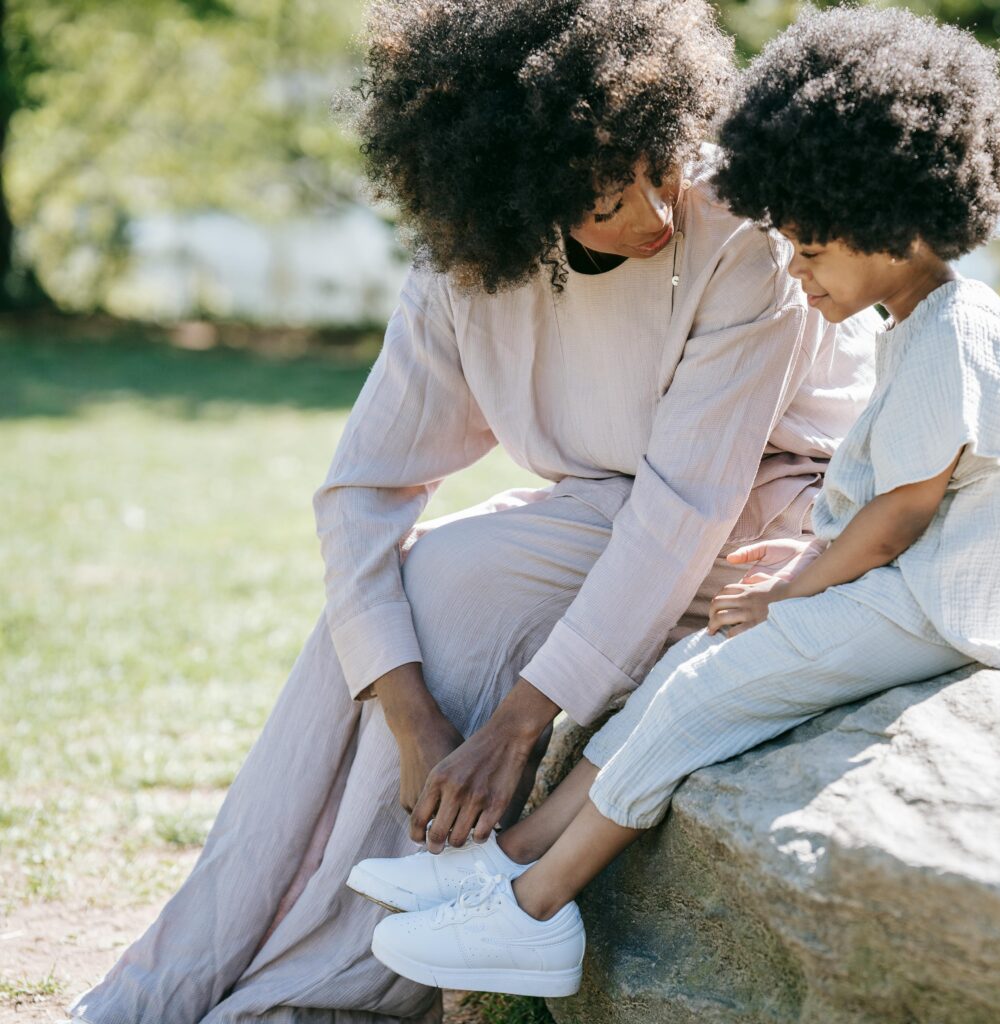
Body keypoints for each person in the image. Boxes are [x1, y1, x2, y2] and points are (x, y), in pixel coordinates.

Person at [68, 1, 875, 1021]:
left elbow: (684, 508)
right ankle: (164, 981)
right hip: (609, 510)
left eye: (660, 168)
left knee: (453, 581)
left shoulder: (741, 232)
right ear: (515, 193)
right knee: (388, 614)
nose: (653, 215)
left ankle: (327, 992)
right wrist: (412, 715)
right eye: (605, 200)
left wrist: (516, 724)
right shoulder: (467, 259)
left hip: (759, 514)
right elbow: (363, 489)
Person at [353, 4, 1000, 997]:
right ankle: (503, 858)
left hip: (935, 607)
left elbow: (900, 519)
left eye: (811, 249)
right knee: (681, 669)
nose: (796, 272)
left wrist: (794, 588)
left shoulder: (959, 329)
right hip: (902, 590)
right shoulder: (917, 321)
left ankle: (535, 913)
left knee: (697, 699)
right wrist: (807, 565)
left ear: (891, 220)